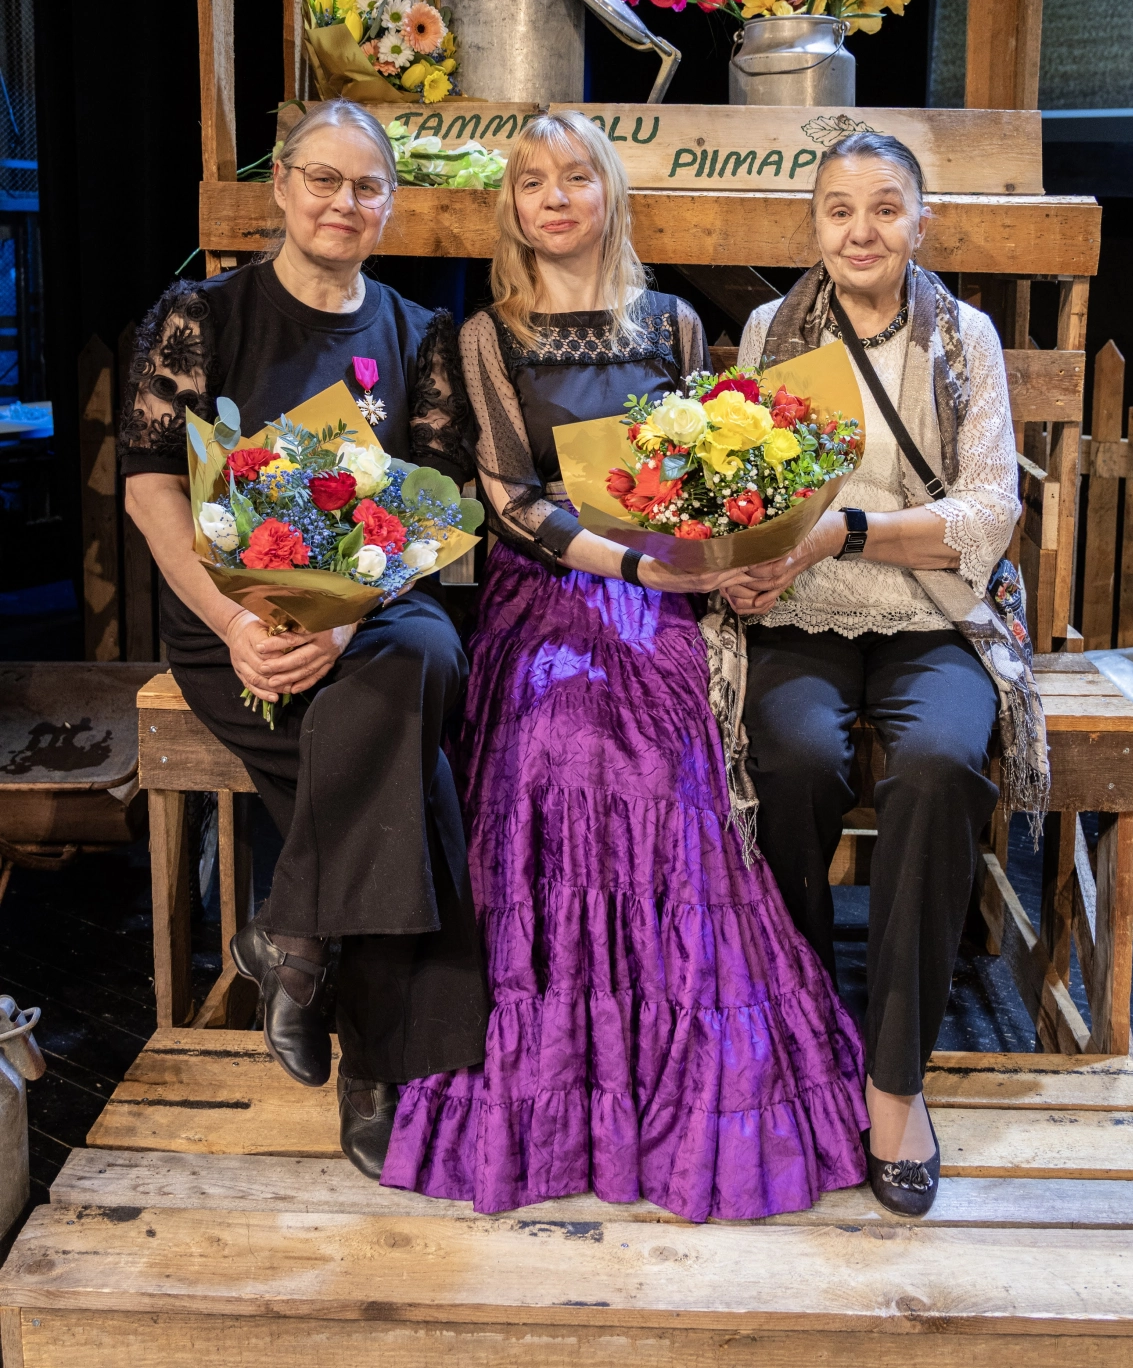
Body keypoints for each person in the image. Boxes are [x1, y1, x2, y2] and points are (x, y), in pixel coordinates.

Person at [379, 111, 869, 1222]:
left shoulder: (675, 324)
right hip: (555, 584)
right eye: (532, 182)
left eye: (575, 178)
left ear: (609, 194)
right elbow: (513, 501)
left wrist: (700, 557)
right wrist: (633, 568)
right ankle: (559, 1072)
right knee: (555, 737)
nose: (555, 198)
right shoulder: (486, 337)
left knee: (665, 757)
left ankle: (669, 1061)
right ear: (512, 209)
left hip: (669, 578)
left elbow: (699, 469)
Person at [119, 98, 488, 1179]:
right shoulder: (203, 315)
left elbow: (433, 507)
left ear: (391, 205)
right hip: (232, 620)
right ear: (280, 187)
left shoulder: (418, 333)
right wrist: (238, 621)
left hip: (373, 606)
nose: (343, 202)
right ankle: (374, 1060)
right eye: (322, 179)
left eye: (367, 186)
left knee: (425, 654)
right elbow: (150, 489)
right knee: (411, 769)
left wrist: (343, 621)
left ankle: (293, 931)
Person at [723, 131, 1046, 1216]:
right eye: (839, 209)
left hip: (931, 613)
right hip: (802, 608)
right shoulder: (769, 331)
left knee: (941, 765)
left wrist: (848, 530)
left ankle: (895, 1078)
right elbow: (738, 485)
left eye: (885, 208)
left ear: (919, 221)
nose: (861, 231)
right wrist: (740, 560)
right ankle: (802, 1028)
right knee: (792, 759)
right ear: (814, 223)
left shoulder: (963, 336)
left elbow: (989, 512)